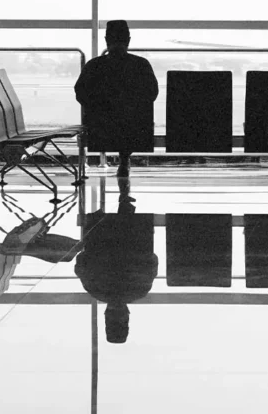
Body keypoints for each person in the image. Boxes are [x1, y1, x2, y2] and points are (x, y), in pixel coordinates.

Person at [74, 175, 157, 343]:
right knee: (105, 232)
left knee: (127, 234)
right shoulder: (93, 289)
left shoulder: (141, 290)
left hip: (135, 229)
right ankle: (121, 200)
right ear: (105, 315)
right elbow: (81, 261)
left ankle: (125, 201)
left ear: (126, 316)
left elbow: (152, 260)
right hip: (101, 229)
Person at [74, 20, 159, 176]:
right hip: (135, 128)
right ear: (128, 40)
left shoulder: (94, 66)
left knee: (116, 122)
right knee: (129, 121)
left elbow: (80, 93)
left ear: (107, 40)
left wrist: (98, 109)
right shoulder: (141, 65)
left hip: (100, 128)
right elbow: (152, 93)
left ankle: (121, 161)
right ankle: (125, 160)